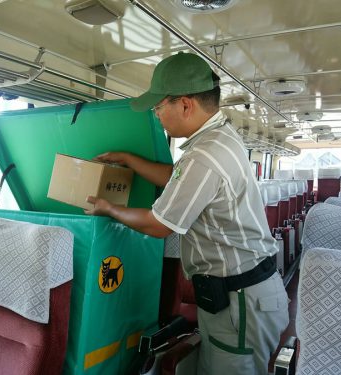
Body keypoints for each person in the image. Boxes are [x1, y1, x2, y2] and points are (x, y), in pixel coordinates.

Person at [84, 52, 289, 375]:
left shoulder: (206, 154)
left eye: (158, 107)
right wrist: (129, 159)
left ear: (184, 104)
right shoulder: (214, 139)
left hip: (240, 303)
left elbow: (159, 224)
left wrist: (108, 208)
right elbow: (176, 179)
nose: (156, 115)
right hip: (235, 296)